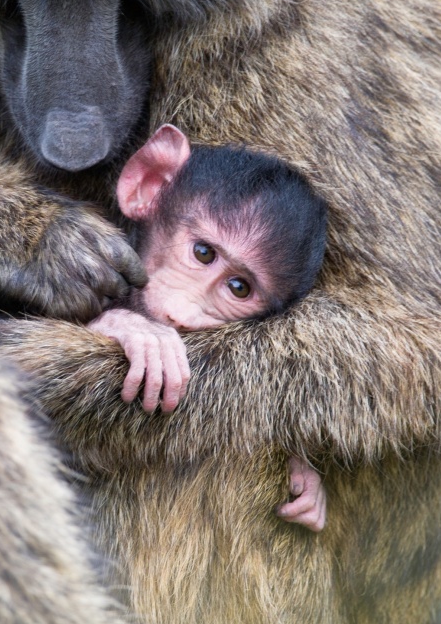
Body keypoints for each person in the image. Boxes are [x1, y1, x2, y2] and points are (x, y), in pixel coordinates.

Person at [90, 124, 328, 531]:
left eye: (239, 288)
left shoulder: (236, 361)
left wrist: (290, 464)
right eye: (202, 253)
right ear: (149, 185)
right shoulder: (80, 262)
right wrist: (106, 325)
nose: (185, 313)